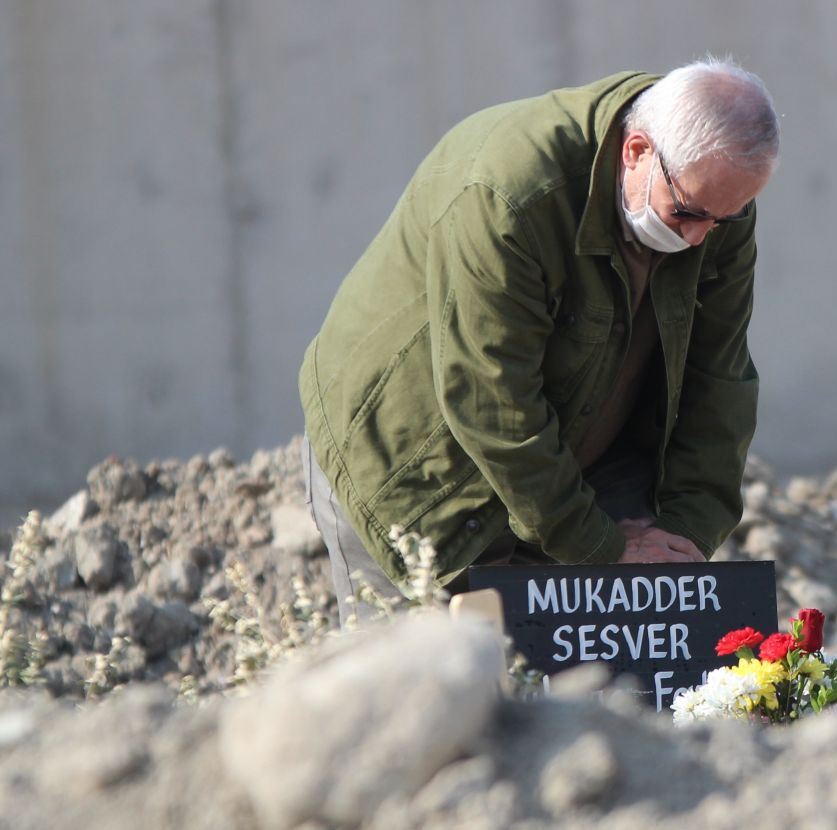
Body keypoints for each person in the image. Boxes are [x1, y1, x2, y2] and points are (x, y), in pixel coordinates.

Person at [299, 60, 779, 621]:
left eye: (721, 221)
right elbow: (493, 401)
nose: (700, 238)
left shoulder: (714, 196)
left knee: (593, 694)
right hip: (416, 464)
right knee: (428, 687)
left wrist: (685, 535)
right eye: (687, 215)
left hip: (579, 452)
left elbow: (719, 377)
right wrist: (600, 546)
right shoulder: (510, 193)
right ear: (637, 152)